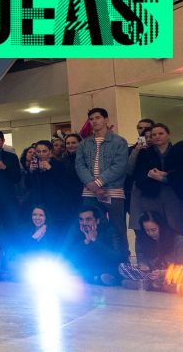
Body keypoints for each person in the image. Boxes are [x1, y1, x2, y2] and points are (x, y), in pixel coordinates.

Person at [75, 108, 129, 260]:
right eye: (91, 119)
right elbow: (79, 166)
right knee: (88, 226)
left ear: (106, 120)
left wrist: (98, 183)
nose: (94, 121)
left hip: (113, 190)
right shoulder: (84, 144)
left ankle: (122, 261)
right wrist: (92, 185)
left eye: (97, 118)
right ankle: (93, 261)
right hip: (89, 191)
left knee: (118, 227)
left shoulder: (119, 141)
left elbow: (119, 166)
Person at [131, 123, 183, 235]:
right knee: (154, 227)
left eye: (160, 133)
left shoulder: (181, 152)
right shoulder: (145, 152)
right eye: (154, 134)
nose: (157, 136)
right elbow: (137, 175)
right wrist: (149, 174)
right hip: (151, 195)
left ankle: (178, 252)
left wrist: (164, 177)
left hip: (174, 193)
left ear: (169, 135)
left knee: (175, 226)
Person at [119, 211, 183, 291]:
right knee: (123, 268)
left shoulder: (179, 240)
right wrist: (144, 266)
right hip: (152, 276)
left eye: (153, 230)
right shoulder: (142, 240)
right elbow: (142, 259)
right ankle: (159, 286)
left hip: (171, 275)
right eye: (147, 230)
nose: (151, 233)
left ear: (161, 227)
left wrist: (163, 273)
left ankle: (153, 286)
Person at [64, 205, 122, 286]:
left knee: (119, 269)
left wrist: (94, 240)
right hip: (84, 265)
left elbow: (115, 256)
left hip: (104, 265)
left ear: (97, 221)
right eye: (81, 219)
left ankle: (90, 278)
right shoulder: (75, 229)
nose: (84, 223)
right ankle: (97, 279)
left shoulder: (108, 229)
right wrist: (85, 242)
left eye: (88, 219)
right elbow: (66, 254)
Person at [4, 205, 61, 282]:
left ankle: (22, 276)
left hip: (43, 263)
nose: (37, 218)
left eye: (41, 215)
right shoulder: (23, 229)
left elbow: (53, 251)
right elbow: (22, 250)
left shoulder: (52, 231)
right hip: (25, 262)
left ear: (45, 217)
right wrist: (34, 237)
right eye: (34, 215)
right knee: (12, 265)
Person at [25, 140, 71, 227]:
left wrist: (50, 168)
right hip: (37, 200)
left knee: (55, 228)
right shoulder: (33, 164)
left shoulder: (58, 164)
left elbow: (64, 182)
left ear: (50, 151)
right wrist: (30, 171)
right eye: (38, 151)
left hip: (55, 202)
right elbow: (28, 185)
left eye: (44, 151)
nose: (41, 154)